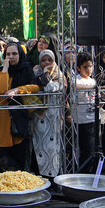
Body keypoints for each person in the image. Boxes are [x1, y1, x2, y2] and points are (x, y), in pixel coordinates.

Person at [0, 42, 39, 172]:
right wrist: (5, 68)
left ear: (20, 54)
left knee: (18, 163)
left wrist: (17, 90)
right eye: (8, 54)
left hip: (18, 122)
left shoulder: (26, 69)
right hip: (1, 123)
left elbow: (35, 87)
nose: (11, 57)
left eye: (14, 54)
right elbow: (1, 89)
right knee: (0, 163)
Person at [31, 49, 65, 177]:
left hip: (53, 118)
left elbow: (51, 88)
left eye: (49, 60)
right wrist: (43, 75)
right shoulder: (35, 72)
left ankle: (52, 177)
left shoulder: (59, 75)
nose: (46, 63)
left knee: (52, 149)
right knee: (38, 148)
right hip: (38, 116)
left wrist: (45, 76)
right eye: (43, 60)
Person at [72, 52, 96, 165]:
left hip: (95, 118)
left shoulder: (93, 80)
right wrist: (95, 86)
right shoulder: (76, 80)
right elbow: (75, 86)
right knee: (87, 151)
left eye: (90, 66)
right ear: (78, 68)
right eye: (85, 67)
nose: (88, 69)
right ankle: (84, 173)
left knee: (96, 149)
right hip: (83, 120)